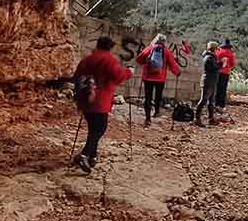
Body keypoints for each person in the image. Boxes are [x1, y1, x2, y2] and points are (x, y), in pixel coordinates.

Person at [73, 36, 133, 173]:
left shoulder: (87, 59)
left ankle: (93, 157)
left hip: (85, 99)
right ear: (110, 47)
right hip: (100, 101)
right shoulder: (109, 60)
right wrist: (129, 71)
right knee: (100, 128)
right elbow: (119, 76)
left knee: (93, 129)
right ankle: (84, 155)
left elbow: (76, 76)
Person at [136, 34, 181, 126]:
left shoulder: (149, 48)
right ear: (164, 42)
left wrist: (145, 62)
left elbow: (139, 59)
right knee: (158, 96)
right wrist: (177, 72)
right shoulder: (167, 51)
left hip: (147, 77)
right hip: (160, 78)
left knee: (148, 98)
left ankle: (147, 119)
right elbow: (172, 64)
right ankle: (156, 112)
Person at [195, 41, 223, 127]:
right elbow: (213, 68)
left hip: (211, 81)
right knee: (203, 100)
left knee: (211, 101)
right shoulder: (209, 58)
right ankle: (197, 119)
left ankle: (211, 119)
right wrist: (221, 63)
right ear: (214, 49)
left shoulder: (211, 57)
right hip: (208, 82)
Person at [215, 38, 236, 111]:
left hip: (218, 72)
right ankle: (221, 105)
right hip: (226, 72)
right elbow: (232, 64)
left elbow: (215, 60)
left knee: (217, 88)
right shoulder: (231, 53)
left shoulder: (218, 52)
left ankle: (215, 104)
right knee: (223, 89)